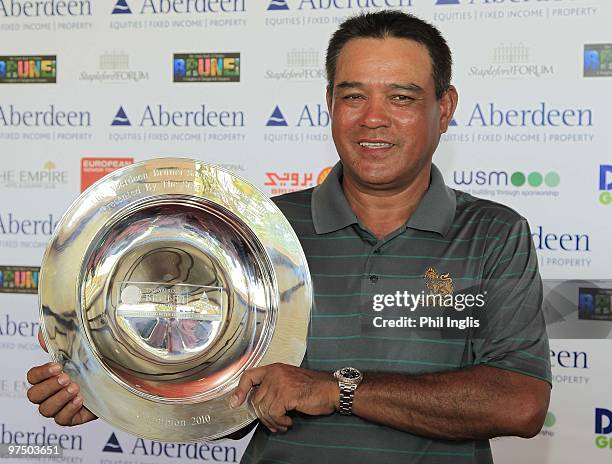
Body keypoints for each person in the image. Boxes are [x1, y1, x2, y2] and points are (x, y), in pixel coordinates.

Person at [26, 10, 551, 463]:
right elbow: (224, 406)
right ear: (329, 103)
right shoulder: (256, 233)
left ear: (445, 106)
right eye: (353, 95)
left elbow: (519, 404)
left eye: (401, 97)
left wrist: (336, 390)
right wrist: (113, 393)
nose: (373, 118)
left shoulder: (494, 233)